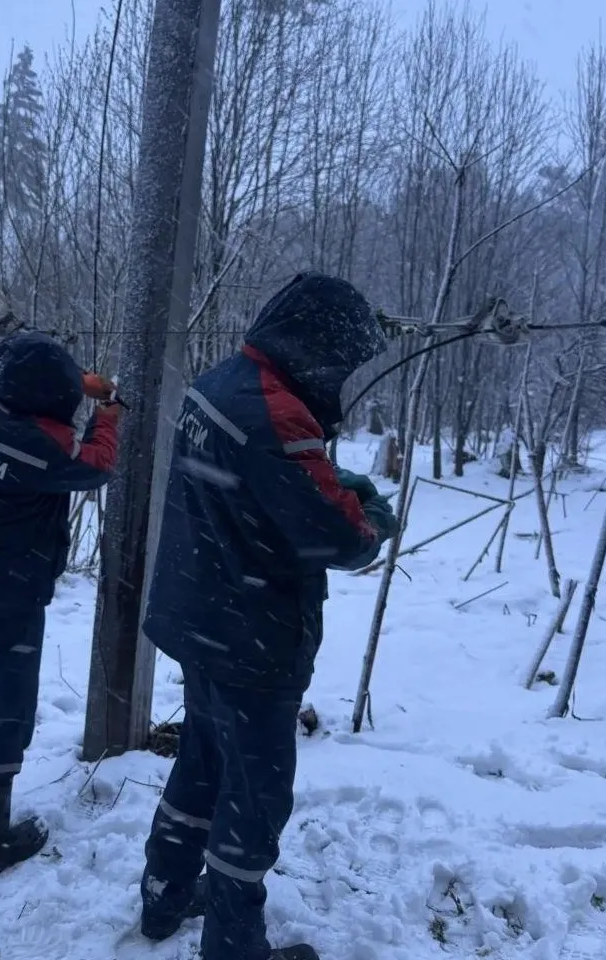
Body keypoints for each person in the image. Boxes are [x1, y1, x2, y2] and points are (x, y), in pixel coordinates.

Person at [139, 273, 398, 960]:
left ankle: (163, 894)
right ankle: (234, 945)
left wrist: (325, 477)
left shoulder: (223, 383)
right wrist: (367, 515)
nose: (342, 375)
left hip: (201, 616)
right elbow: (333, 537)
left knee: (200, 763)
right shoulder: (278, 415)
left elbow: (262, 488)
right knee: (254, 800)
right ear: (315, 348)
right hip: (251, 636)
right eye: (341, 360)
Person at [0, 330, 122, 880]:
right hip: (7, 598)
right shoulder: (37, 449)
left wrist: (77, 382)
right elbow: (97, 464)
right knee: (6, 715)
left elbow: (4, 389)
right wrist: (108, 410)